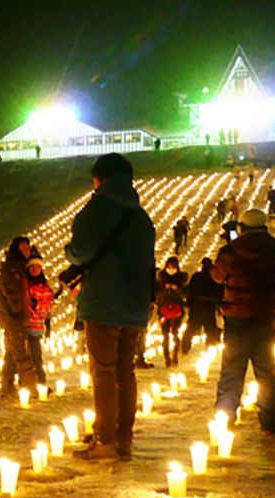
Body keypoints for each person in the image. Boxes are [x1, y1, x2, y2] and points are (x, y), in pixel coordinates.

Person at [64, 153, 155, 460]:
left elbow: (81, 251)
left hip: (104, 301)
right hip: (135, 304)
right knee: (125, 371)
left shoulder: (97, 209)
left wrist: (71, 253)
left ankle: (105, 440)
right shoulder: (142, 218)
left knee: (103, 373)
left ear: (100, 179)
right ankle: (123, 438)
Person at [211, 209, 275, 433]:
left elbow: (217, 275)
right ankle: (270, 417)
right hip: (264, 316)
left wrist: (227, 246)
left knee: (232, 370)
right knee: (266, 369)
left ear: (241, 227)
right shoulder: (272, 247)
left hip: (237, 317)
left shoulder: (231, 251)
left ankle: (225, 416)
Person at [0, 236, 38, 397]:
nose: (27, 251)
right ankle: (32, 387)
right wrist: (18, 309)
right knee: (21, 352)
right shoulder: (12, 267)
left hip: (13, 316)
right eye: (23, 248)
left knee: (12, 352)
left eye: (28, 248)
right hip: (13, 317)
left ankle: (6, 386)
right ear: (16, 249)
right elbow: (10, 289)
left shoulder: (19, 266)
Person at [24, 252, 55, 384]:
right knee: (24, 355)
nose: (34, 269)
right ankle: (25, 380)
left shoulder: (44, 287)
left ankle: (40, 380)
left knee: (36, 355)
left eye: (37, 267)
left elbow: (48, 305)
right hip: (22, 325)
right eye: (31, 267)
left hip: (36, 326)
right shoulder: (24, 285)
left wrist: (37, 305)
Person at [182, 257, 223, 354]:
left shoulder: (196, 276)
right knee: (210, 329)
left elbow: (191, 291)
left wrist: (188, 304)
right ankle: (210, 346)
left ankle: (185, 347)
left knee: (191, 329)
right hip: (209, 306)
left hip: (197, 307)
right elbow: (219, 292)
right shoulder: (214, 277)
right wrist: (219, 306)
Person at [156, 256, 188, 368]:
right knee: (165, 335)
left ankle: (175, 355)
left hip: (177, 310)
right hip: (164, 310)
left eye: (173, 266)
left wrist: (176, 289)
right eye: (169, 266)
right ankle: (167, 358)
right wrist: (165, 290)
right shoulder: (161, 277)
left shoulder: (182, 278)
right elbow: (157, 293)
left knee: (175, 333)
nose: (171, 268)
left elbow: (185, 293)